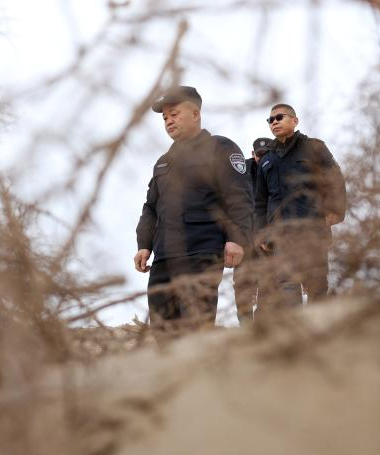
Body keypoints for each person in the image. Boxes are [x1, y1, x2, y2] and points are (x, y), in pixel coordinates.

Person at [134, 86, 254, 330]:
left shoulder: (221, 148)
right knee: (162, 329)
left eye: (174, 114)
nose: (168, 121)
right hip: (164, 258)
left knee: (195, 327)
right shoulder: (163, 162)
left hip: (202, 252)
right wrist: (144, 244)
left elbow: (239, 197)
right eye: (165, 118)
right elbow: (150, 207)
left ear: (196, 114)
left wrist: (236, 239)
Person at [254, 103, 346, 310]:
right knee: (287, 285)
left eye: (279, 117)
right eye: (270, 120)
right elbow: (260, 201)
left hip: (312, 228)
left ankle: (318, 328)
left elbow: (335, 179)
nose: (274, 122)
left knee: (316, 285)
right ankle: (294, 329)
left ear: (295, 121)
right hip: (280, 234)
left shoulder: (314, 148)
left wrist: (336, 211)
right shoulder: (267, 160)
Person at [233, 136, 272, 325]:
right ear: (253, 154)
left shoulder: (277, 169)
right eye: (259, 154)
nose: (262, 157)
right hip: (245, 238)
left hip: (267, 238)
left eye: (266, 154)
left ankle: (262, 326)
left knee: (268, 282)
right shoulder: (241, 172)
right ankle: (246, 326)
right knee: (242, 284)